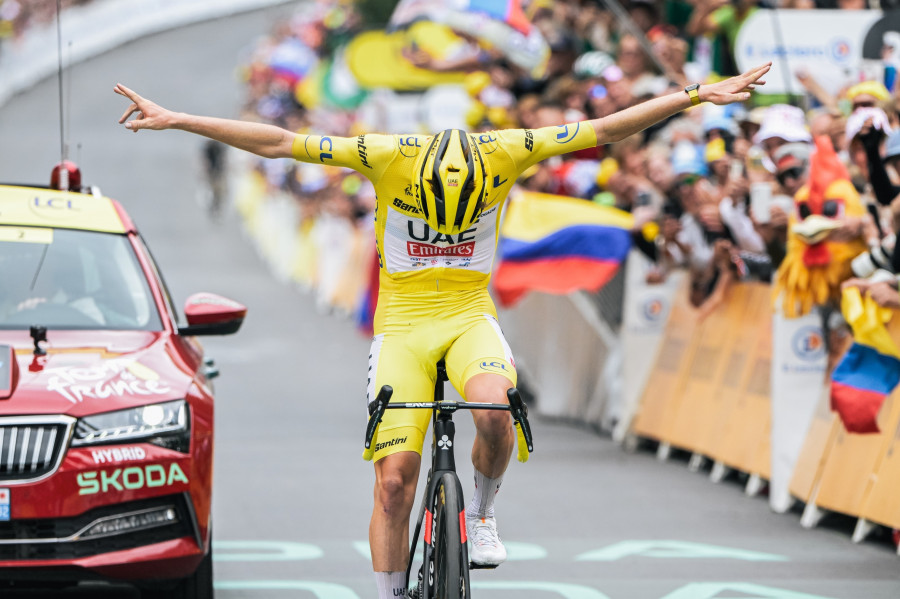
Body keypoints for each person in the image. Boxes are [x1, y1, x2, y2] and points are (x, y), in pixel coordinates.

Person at [113, 61, 770, 599]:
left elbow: (604, 128)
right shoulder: (385, 153)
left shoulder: (508, 148)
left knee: (493, 409)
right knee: (395, 477)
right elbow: (281, 142)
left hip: (467, 318)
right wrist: (179, 119)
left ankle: (480, 512)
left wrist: (693, 95)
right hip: (400, 326)